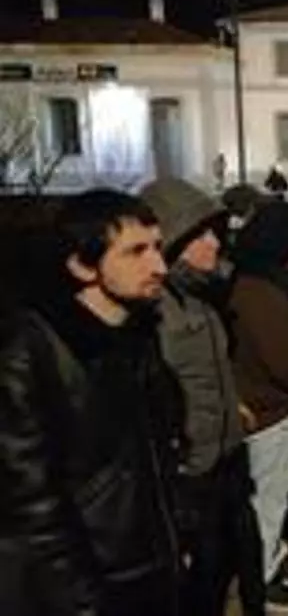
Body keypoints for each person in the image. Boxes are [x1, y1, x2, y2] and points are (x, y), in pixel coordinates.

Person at [0, 190, 185, 616]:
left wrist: (180, 537)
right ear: (82, 265)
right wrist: (83, 603)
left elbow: (158, 456)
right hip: (89, 591)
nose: (159, 265)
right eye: (135, 252)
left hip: (151, 575)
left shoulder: (139, 336)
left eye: (157, 247)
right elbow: (32, 511)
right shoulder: (28, 354)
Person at [139, 178, 268, 616]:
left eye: (215, 232)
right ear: (174, 243)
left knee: (243, 566)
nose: (215, 242)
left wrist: (235, 404)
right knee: (203, 589)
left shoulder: (204, 296)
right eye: (201, 235)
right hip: (194, 477)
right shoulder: (154, 310)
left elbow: (212, 369)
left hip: (228, 460)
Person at [227, 200, 288, 611]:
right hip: (271, 410)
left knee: (273, 498)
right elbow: (283, 359)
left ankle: (275, 560)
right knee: (269, 501)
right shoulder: (260, 291)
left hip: (266, 405)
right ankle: (262, 580)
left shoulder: (253, 280)